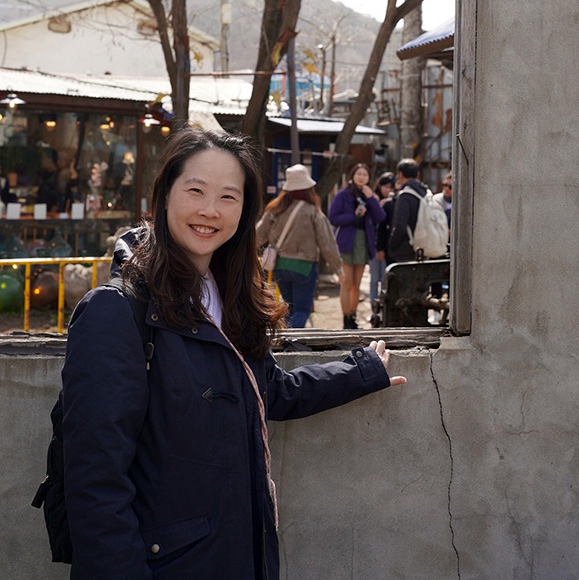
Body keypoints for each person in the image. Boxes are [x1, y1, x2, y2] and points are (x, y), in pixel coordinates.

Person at [62, 126, 405, 580]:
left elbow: (268, 391)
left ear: (245, 211)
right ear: (165, 195)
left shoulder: (228, 297)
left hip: (240, 555)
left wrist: (360, 372)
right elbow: (95, 484)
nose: (209, 210)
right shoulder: (117, 311)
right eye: (196, 190)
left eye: (228, 196)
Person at [255, 163, 342, 328]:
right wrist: (338, 269)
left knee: (288, 309)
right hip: (304, 267)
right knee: (302, 310)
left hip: (279, 265)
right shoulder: (313, 212)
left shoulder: (275, 209)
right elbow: (327, 244)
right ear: (309, 188)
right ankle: (291, 342)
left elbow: (257, 236)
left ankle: (284, 339)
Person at [328, 163, 385, 330]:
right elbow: (333, 217)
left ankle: (353, 315)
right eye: (359, 174)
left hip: (363, 241)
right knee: (346, 282)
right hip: (346, 241)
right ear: (352, 175)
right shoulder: (343, 194)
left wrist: (371, 198)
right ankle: (346, 318)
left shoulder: (369, 195)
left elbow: (380, 217)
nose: (362, 177)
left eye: (365, 175)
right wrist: (352, 217)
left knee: (357, 284)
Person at [387, 158, 430, 264]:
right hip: (426, 248)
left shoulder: (405, 196)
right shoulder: (426, 193)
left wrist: (391, 245)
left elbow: (400, 226)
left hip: (406, 250)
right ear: (418, 175)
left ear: (400, 174)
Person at [367, 172, 396, 312]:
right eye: (385, 186)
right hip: (373, 246)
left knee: (385, 280)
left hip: (385, 247)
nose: (388, 190)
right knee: (374, 280)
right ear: (379, 186)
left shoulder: (394, 202)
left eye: (391, 187)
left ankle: (384, 310)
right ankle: (374, 309)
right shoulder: (373, 199)